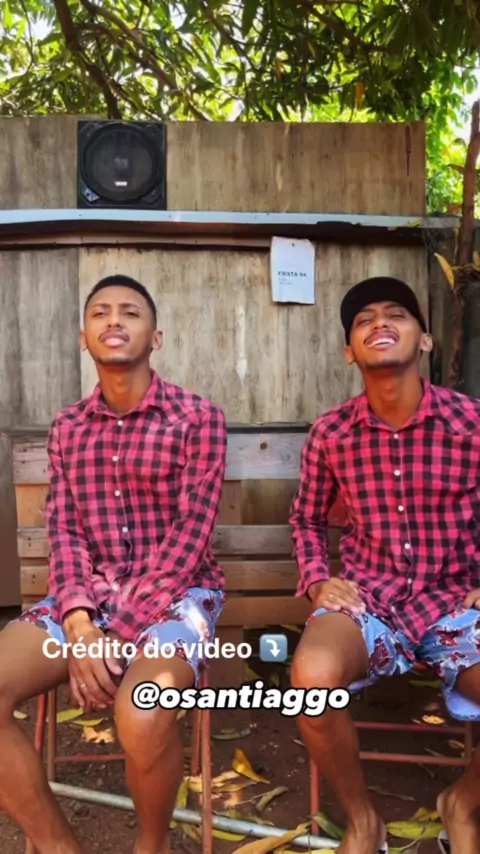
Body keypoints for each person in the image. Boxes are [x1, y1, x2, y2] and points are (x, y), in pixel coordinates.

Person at [0, 274, 227, 854]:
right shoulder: (68, 427)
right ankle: (60, 847)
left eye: (130, 311)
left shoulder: (198, 418)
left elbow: (190, 538)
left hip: (178, 598)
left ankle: (152, 845)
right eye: (100, 312)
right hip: (88, 599)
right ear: (84, 337)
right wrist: (79, 624)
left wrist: (116, 635)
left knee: (143, 713)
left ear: (156, 337)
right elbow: (65, 529)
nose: (114, 320)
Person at [289, 276, 480, 854]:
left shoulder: (471, 424)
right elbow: (306, 519)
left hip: (456, 604)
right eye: (363, 320)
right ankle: (362, 820)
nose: (379, 324)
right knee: (311, 681)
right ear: (349, 350)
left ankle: (463, 802)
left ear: (424, 339)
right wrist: (318, 580)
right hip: (368, 604)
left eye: (396, 313)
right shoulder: (332, 432)